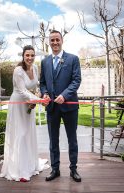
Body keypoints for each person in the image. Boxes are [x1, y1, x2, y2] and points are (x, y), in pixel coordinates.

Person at [0, 45, 49, 182]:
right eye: (27, 55)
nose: (30, 58)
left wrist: (37, 96)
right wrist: (39, 100)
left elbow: (35, 86)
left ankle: (30, 165)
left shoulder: (35, 68)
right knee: (20, 134)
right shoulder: (18, 71)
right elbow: (22, 91)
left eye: (32, 55)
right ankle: (19, 170)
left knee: (28, 133)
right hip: (18, 105)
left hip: (29, 105)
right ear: (23, 56)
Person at [40, 30, 82, 182]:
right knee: (53, 140)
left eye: (57, 39)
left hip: (69, 107)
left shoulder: (73, 59)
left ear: (62, 40)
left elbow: (76, 81)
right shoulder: (44, 62)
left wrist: (64, 95)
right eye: (52, 40)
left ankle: (73, 169)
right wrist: (44, 94)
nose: (55, 43)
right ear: (49, 42)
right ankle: (55, 169)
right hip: (52, 108)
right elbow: (43, 83)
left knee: (72, 139)